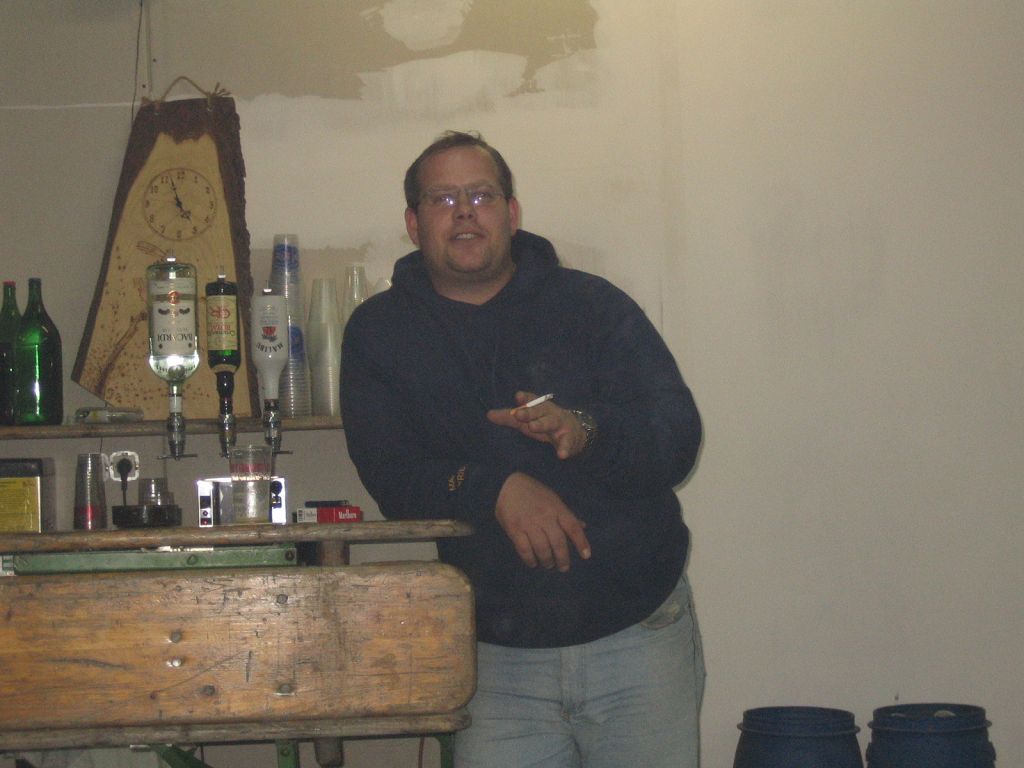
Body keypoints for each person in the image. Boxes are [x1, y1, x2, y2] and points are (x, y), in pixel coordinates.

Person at [341, 130, 705, 768]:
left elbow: (676, 437)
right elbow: (391, 476)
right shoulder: (381, 333)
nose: (464, 211)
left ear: (511, 213)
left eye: (481, 195)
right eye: (442, 198)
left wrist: (585, 430)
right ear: (413, 223)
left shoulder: (593, 305)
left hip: (638, 636)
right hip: (496, 661)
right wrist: (496, 489)